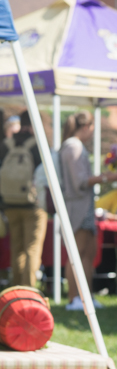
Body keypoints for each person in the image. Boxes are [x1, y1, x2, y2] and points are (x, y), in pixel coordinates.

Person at [60, 111, 117, 310]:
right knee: (77, 254)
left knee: (88, 253)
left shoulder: (74, 146)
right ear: (86, 126)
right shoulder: (73, 147)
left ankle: (85, 297)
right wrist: (108, 178)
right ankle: (74, 298)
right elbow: (80, 182)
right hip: (77, 207)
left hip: (84, 206)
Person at [0, 110, 46, 287]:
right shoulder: (37, 145)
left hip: (10, 203)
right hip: (33, 205)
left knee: (16, 249)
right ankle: (29, 292)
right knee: (32, 249)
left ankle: (16, 291)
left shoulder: (7, 144)